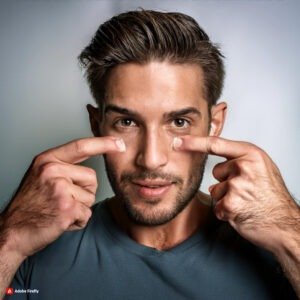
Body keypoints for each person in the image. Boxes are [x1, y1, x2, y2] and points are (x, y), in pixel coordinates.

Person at [0, 9, 299, 300]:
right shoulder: (32, 247)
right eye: (127, 122)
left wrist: (289, 233)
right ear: (97, 123)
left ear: (215, 123)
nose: (151, 159)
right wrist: (10, 237)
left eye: (179, 123)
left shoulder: (280, 252)